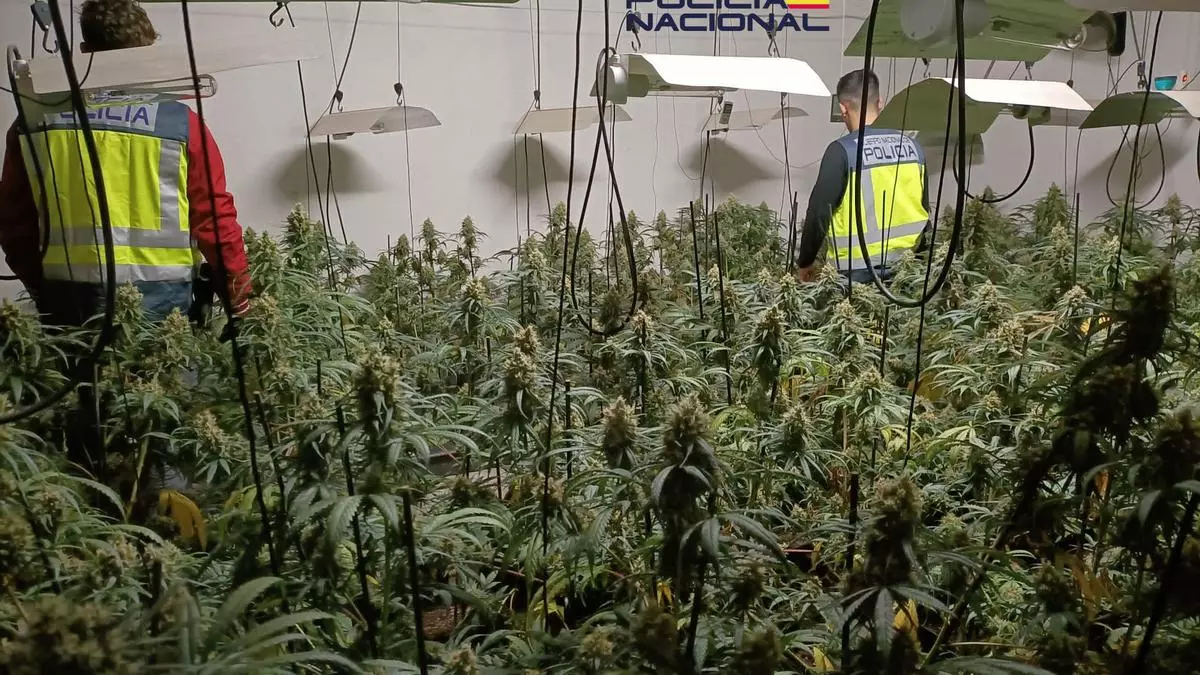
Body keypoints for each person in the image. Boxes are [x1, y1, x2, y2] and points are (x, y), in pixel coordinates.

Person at [0, 0, 251, 327]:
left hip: (71, 312)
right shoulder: (181, 124)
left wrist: (42, 290)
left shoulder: (34, 123)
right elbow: (214, 218)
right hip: (166, 313)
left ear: (85, 50)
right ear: (146, 54)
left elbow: (14, 224)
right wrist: (240, 300)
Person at [795, 68, 931, 284]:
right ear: (880, 102)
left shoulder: (842, 151)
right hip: (908, 267)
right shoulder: (913, 148)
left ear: (843, 108)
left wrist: (805, 261)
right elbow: (924, 209)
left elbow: (819, 212)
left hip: (855, 271)